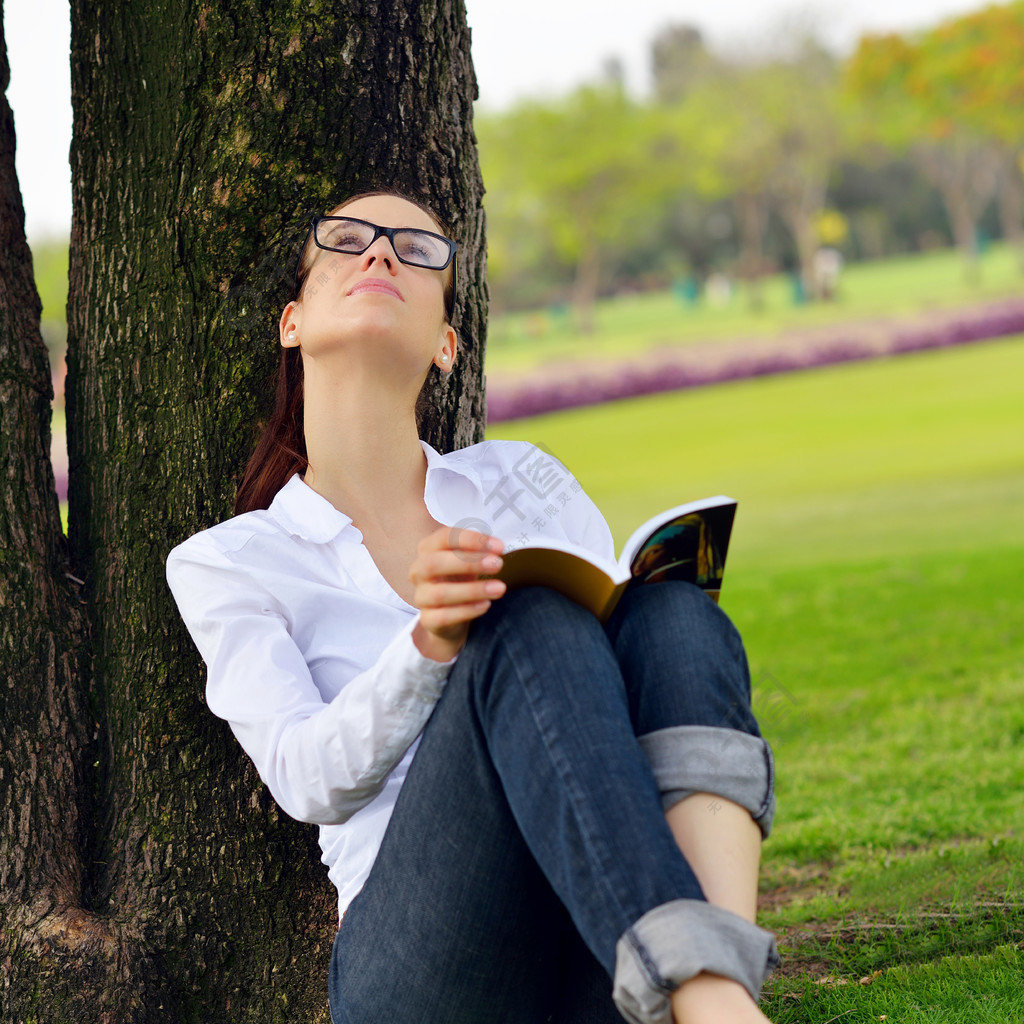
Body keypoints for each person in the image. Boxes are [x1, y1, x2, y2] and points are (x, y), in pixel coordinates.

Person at [166, 189, 779, 1024]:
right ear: (292, 321)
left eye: (417, 250)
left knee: (672, 615)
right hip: (426, 967)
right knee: (522, 624)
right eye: (347, 242)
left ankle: (714, 996)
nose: (380, 254)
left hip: (595, 923)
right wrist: (432, 643)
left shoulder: (519, 479)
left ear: (447, 344)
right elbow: (306, 780)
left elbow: (614, 672)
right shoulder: (231, 562)